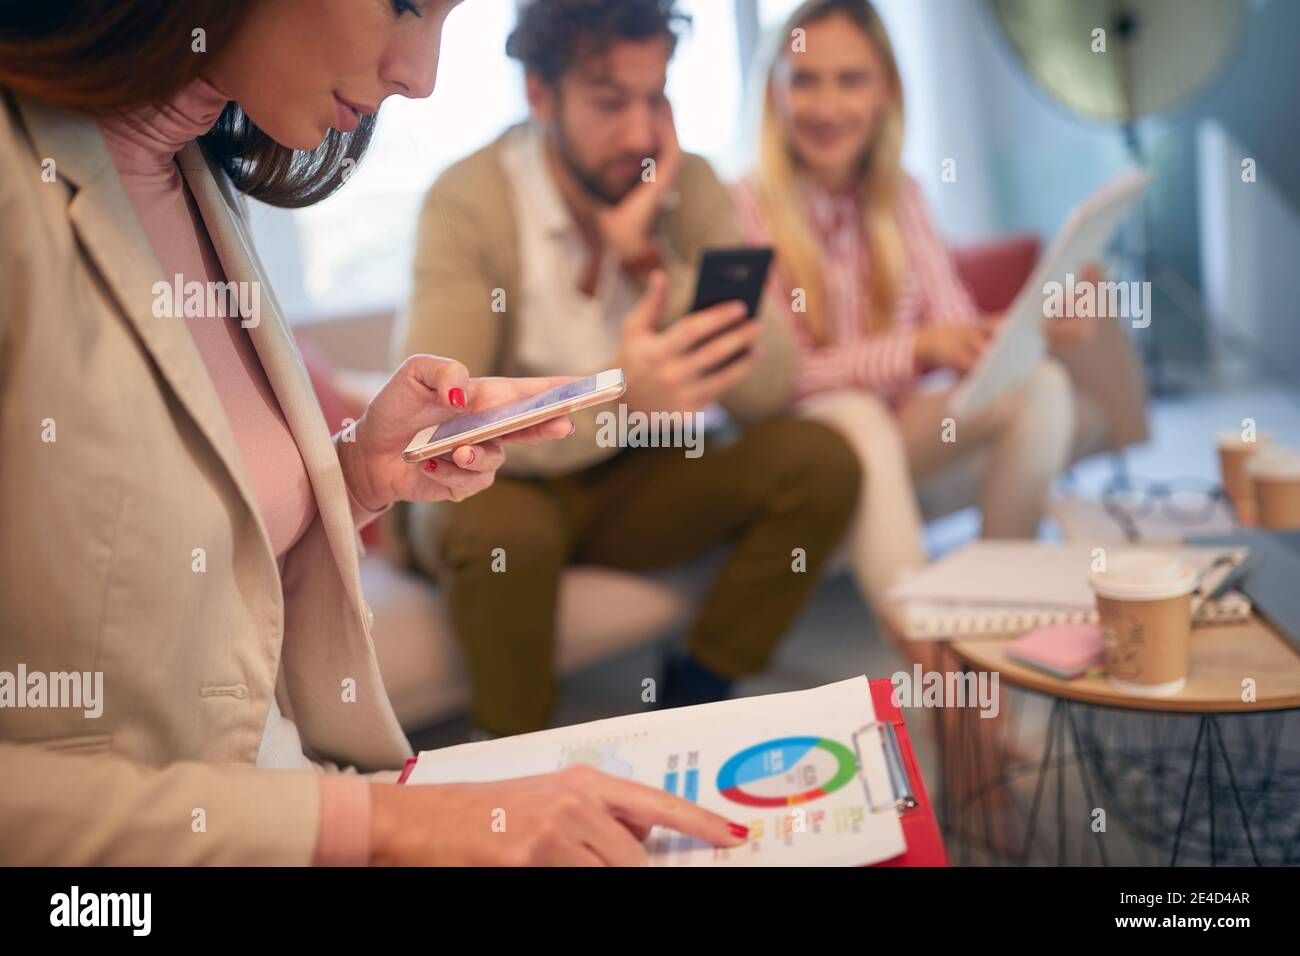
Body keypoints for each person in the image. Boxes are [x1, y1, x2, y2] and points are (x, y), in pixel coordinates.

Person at [0, 0, 749, 866]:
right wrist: (386, 823)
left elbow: (197, 564)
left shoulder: (198, 173)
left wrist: (359, 473)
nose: (422, 77)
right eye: (403, 4)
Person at [396, 0, 862, 738]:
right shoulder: (470, 201)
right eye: (611, 102)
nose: (641, 134)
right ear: (540, 95)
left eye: (657, 99)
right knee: (508, 538)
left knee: (821, 461)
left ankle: (697, 689)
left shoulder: (689, 186)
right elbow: (438, 426)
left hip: (628, 473)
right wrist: (617, 398)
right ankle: (519, 764)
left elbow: (769, 387)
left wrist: (656, 262)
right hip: (497, 477)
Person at [732, 0, 1091, 617]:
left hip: (898, 425)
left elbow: (953, 328)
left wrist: (1026, 332)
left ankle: (995, 613)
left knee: (1044, 386)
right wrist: (916, 347)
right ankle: (932, 649)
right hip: (803, 444)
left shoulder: (904, 196)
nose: (827, 106)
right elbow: (783, 381)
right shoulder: (743, 207)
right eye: (804, 81)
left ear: (884, 93)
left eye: (851, 80)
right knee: (856, 414)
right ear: (775, 94)